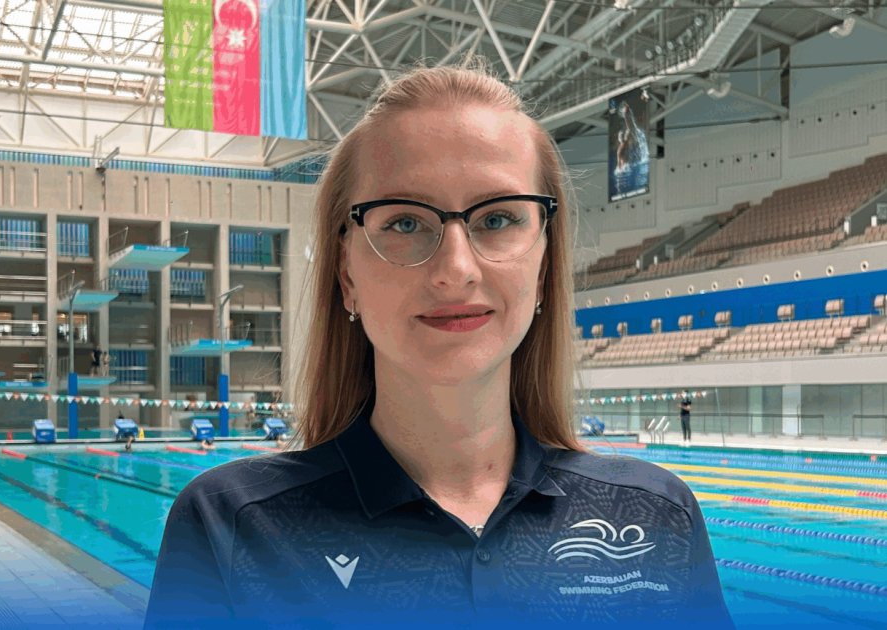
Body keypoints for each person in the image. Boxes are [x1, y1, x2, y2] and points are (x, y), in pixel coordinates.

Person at [144, 61, 735, 630]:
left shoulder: (657, 516)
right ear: (347, 274)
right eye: (405, 222)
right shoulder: (232, 528)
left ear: (544, 267)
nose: (456, 269)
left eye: (498, 219)